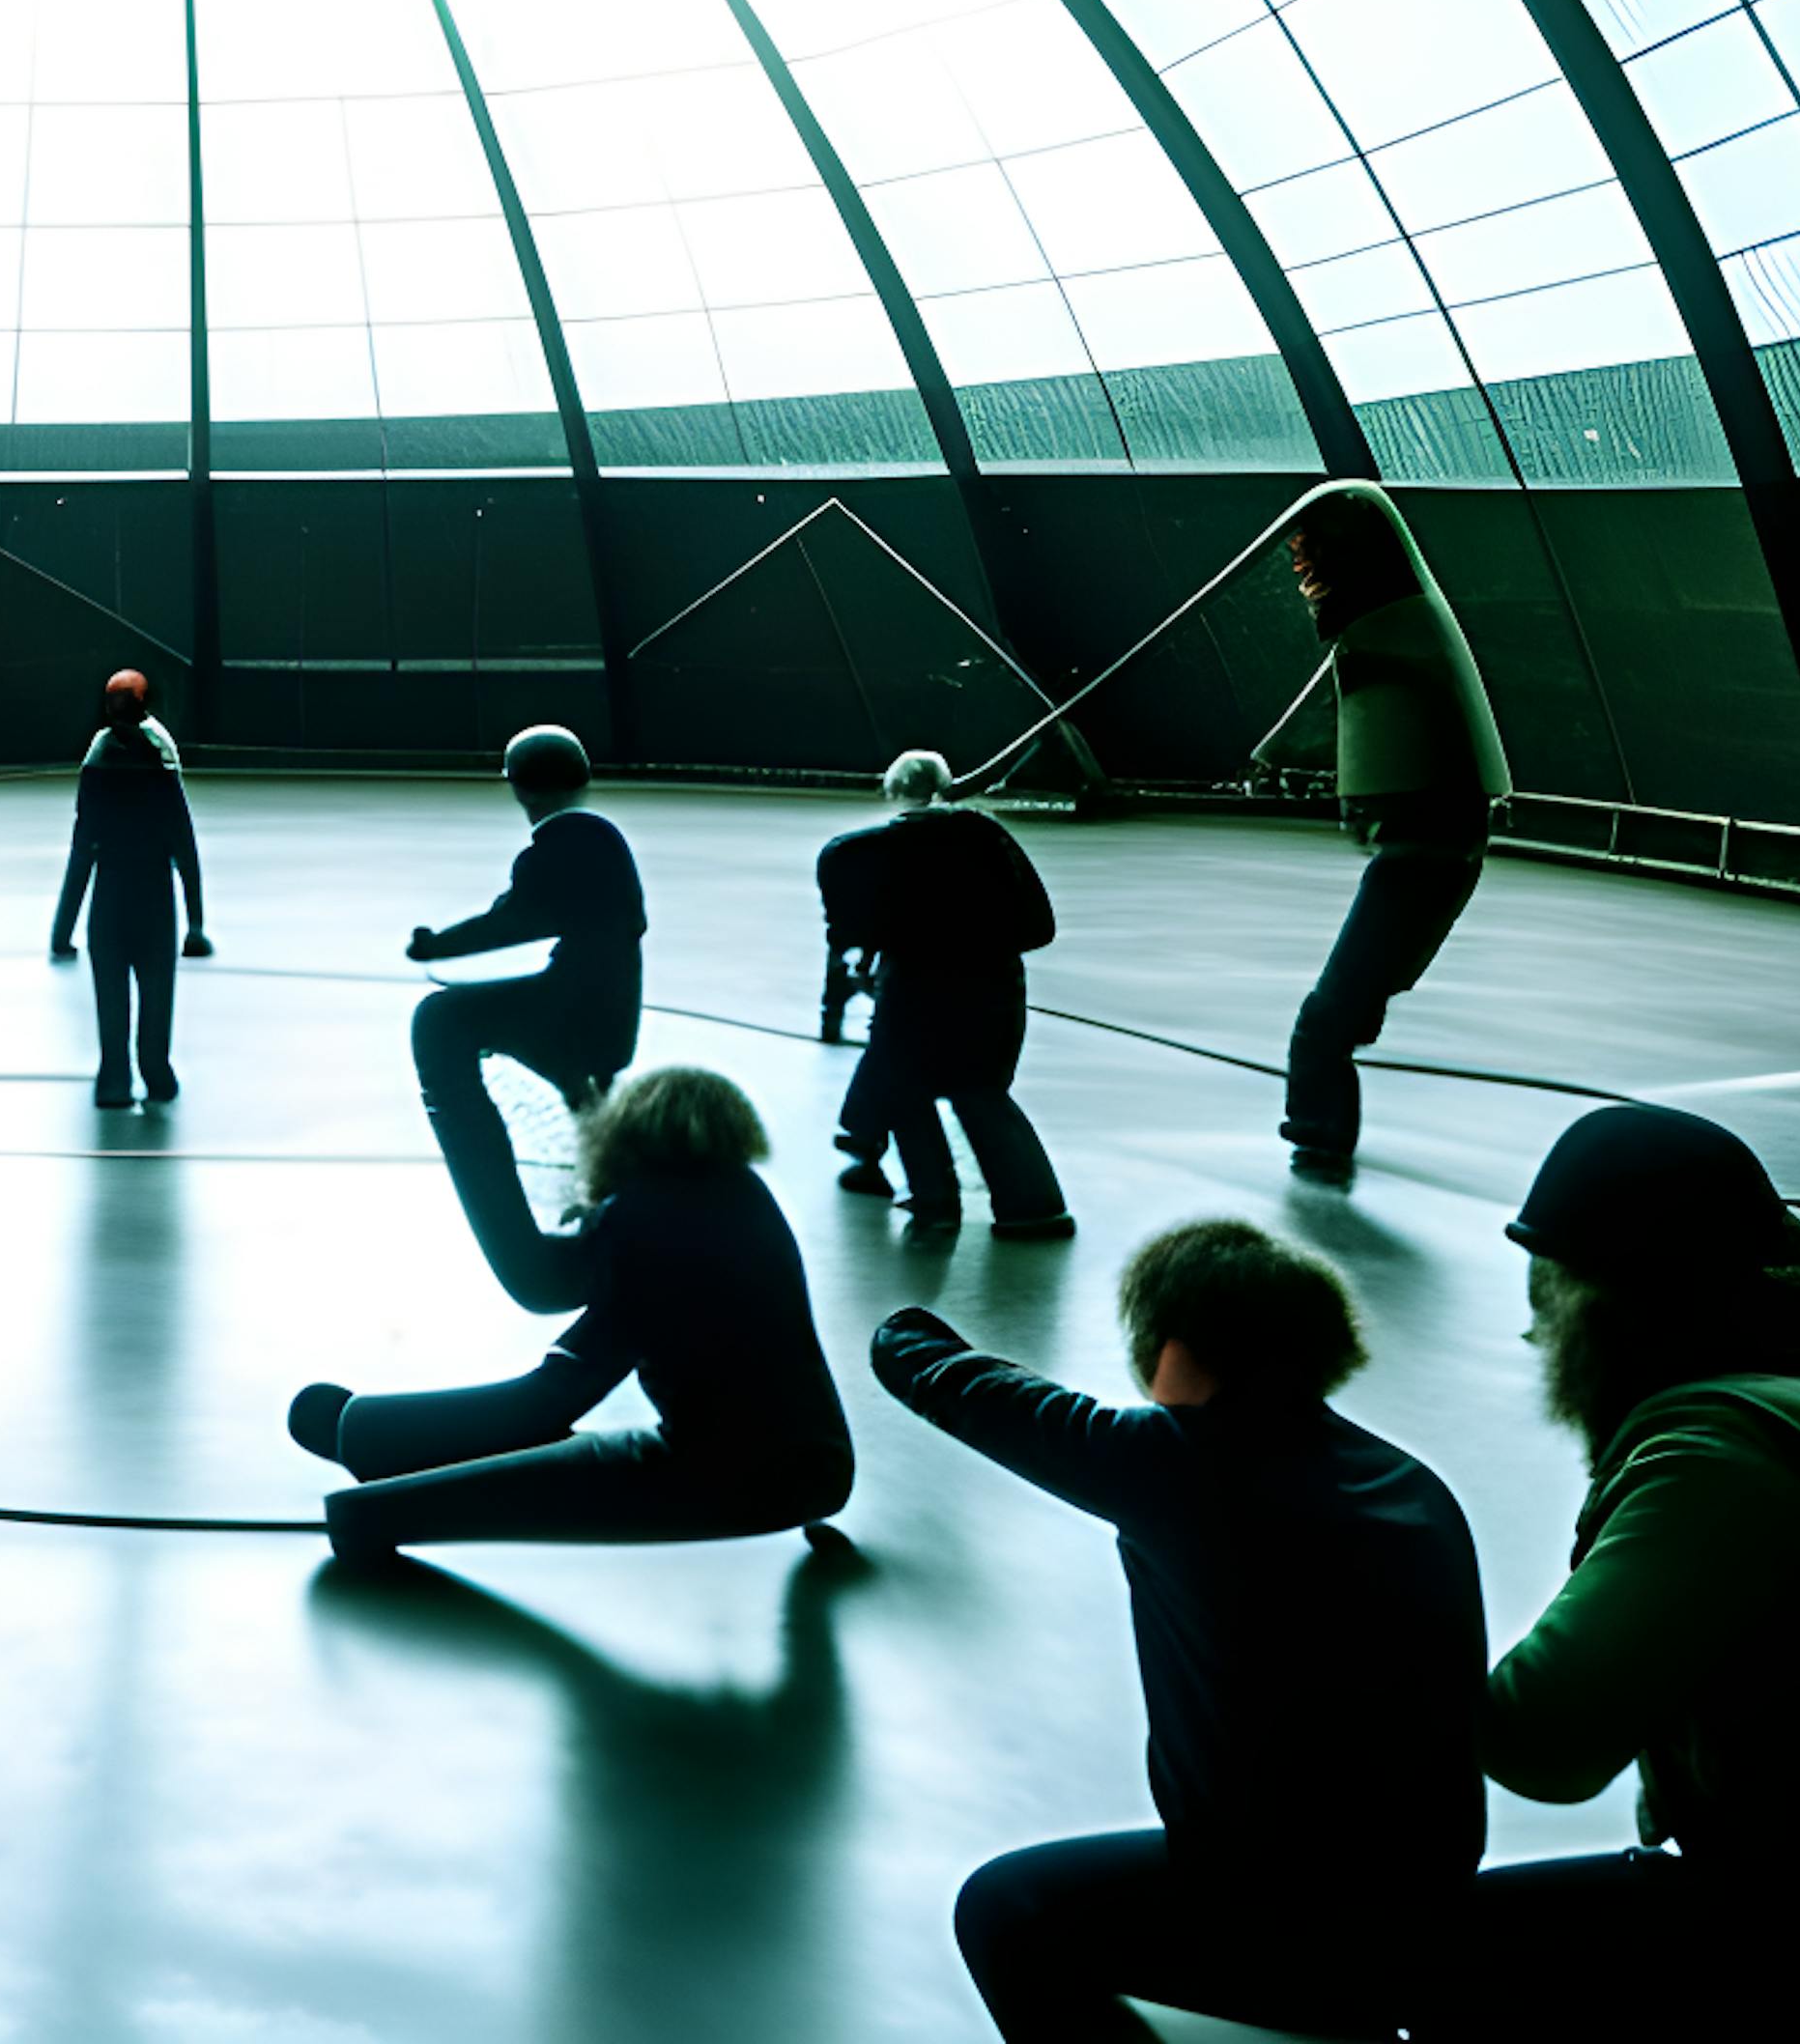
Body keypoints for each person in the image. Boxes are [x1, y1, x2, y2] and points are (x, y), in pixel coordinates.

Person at [876, 1221, 1483, 2043]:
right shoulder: (1411, 1483)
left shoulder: (1172, 1464)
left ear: (1179, 1348)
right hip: (1432, 1906)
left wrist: (900, 1318)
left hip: (1283, 1923)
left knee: (1002, 1912)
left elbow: (944, 1379)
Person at [1437, 1106, 1800, 2038]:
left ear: (1593, 1318)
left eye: (1541, 1320)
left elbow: (1542, 1742)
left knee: (1435, 1962)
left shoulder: (1717, 1452)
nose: (1536, 1350)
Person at [288, 1066, 850, 1564]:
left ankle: (360, 1474)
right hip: (818, 1467)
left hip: (734, 1479)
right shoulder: (744, 1195)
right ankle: (362, 1448)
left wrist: (365, 1432)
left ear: (620, 1136)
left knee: (363, 1515)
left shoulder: (643, 1215)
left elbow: (553, 1398)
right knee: (543, 1444)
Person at [1274, 483, 1505, 1184]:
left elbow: (1348, 708)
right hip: (1430, 850)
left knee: (1326, 1021)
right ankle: (1318, 1139)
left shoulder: (1388, 636)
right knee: (1334, 1016)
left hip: (1422, 856)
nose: (1303, 578)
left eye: (1311, 562)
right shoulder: (1392, 633)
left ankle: (1318, 1144)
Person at [406, 726, 644, 1299]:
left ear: (520, 789)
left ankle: (489, 1181)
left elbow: (514, 919)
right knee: (568, 1079)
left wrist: (437, 945)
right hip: (608, 998)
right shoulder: (602, 837)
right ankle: (607, 1189)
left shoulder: (554, 848)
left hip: (575, 1003)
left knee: (441, 1019)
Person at [815, 752, 1072, 1238]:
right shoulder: (988, 841)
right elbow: (1038, 927)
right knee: (981, 1095)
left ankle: (933, 1199)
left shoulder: (854, 855)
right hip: (993, 990)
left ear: (891, 791)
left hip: (912, 994)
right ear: (946, 787)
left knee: (905, 1089)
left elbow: (849, 936)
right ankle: (1033, 1207)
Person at [49, 668, 210, 1109]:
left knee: (112, 992)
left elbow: (83, 849)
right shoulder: (161, 757)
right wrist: (195, 924)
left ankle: (114, 1075)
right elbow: (185, 847)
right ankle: (155, 1070)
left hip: (111, 896)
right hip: (154, 895)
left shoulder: (98, 761)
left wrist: (61, 932)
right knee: (157, 989)